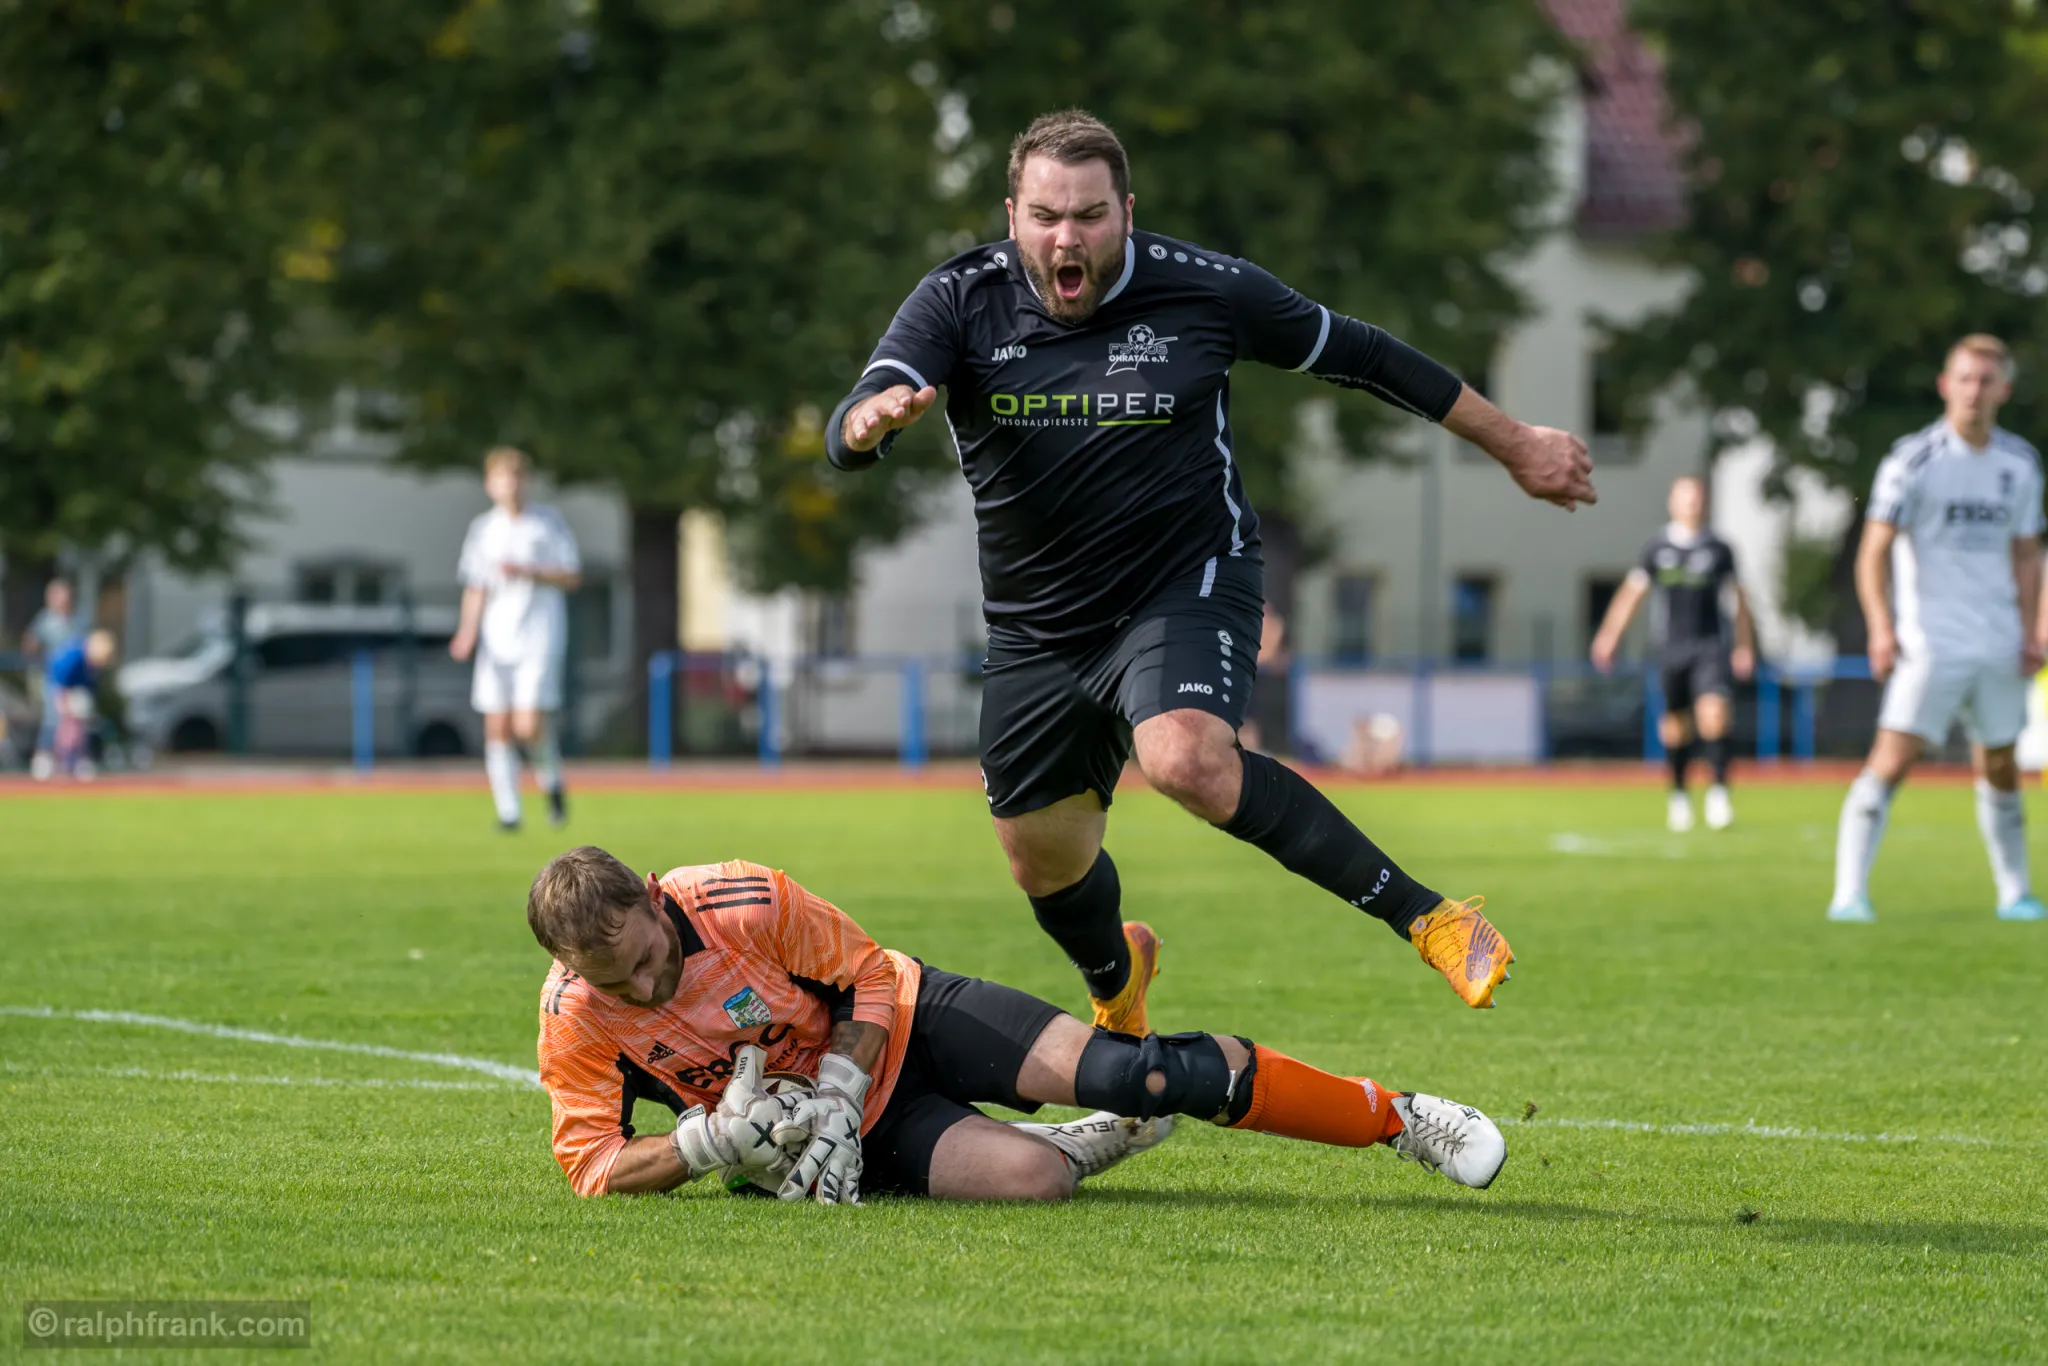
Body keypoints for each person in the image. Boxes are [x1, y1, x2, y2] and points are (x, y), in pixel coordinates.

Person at [825, 110, 1595, 1028]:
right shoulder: (959, 299)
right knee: (1041, 859)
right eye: (1045, 216)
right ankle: (1118, 983)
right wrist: (867, 424)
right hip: (1038, 625)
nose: (1067, 238)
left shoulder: (1207, 289)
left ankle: (1431, 918)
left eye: (1090, 215)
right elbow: (857, 414)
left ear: (1127, 212)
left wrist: (1515, 443)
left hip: (1182, 580)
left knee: (1185, 757)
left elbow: (1364, 355)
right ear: (1012, 216)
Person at [530, 845, 1507, 1202]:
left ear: (654, 898)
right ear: (575, 970)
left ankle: (1397, 1117)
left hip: (908, 1019)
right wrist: (705, 1145)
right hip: (843, 1132)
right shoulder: (575, 1017)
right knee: (1035, 1181)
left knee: (1138, 1075)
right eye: (618, 981)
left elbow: (867, 971)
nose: (646, 987)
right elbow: (592, 1164)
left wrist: (835, 1083)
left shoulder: (737, 898)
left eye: (650, 957)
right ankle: (1076, 1134)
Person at [1829, 335, 2045, 923]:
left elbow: (2027, 554)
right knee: (1892, 760)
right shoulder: (1913, 460)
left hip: (1999, 639)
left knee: (2001, 765)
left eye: (1986, 380)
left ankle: (2015, 893)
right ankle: (1849, 893)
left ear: (2004, 389)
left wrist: (2033, 630)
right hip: (1931, 642)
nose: (1975, 391)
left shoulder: (2020, 463)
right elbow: (1873, 551)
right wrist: (1881, 628)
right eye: (1965, 379)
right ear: (1946, 386)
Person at [1589, 476, 1757, 831]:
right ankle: (1679, 796)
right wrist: (1609, 635)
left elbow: (1739, 599)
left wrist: (1744, 646)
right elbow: (1632, 594)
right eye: (1685, 497)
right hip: (1671, 648)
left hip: (1710, 646)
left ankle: (1718, 793)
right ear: (1672, 502)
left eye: (1697, 497)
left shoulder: (1719, 548)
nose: (1692, 503)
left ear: (1704, 502)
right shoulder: (1656, 548)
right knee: (1675, 727)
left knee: (1714, 715)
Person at [450, 447, 581, 831]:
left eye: (516, 477)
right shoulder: (483, 529)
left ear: (527, 481)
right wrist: (467, 631)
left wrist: (529, 571)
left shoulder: (547, 523)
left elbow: (571, 575)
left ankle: (552, 782)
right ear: (489, 484)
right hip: (497, 639)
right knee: (497, 725)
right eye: (502, 477)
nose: (510, 485)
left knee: (528, 725)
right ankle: (509, 812)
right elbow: (475, 586)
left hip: (538, 636)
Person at [36, 629, 117, 781]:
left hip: (77, 693)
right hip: (57, 687)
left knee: (79, 727)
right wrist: (62, 701)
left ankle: (76, 760)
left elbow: (91, 686)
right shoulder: (74, 655)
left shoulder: (94, 665)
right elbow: (59, 677)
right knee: (53, 720)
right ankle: (44, 758)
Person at [22, 577, 82, 781]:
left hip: (72, 679)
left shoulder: (75, 620)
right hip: (51, 678)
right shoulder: (46, 620)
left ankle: (70, 759)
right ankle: (43, 756)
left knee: (74, 719)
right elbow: (31, 644)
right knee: (52, 717)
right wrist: (40, 660)